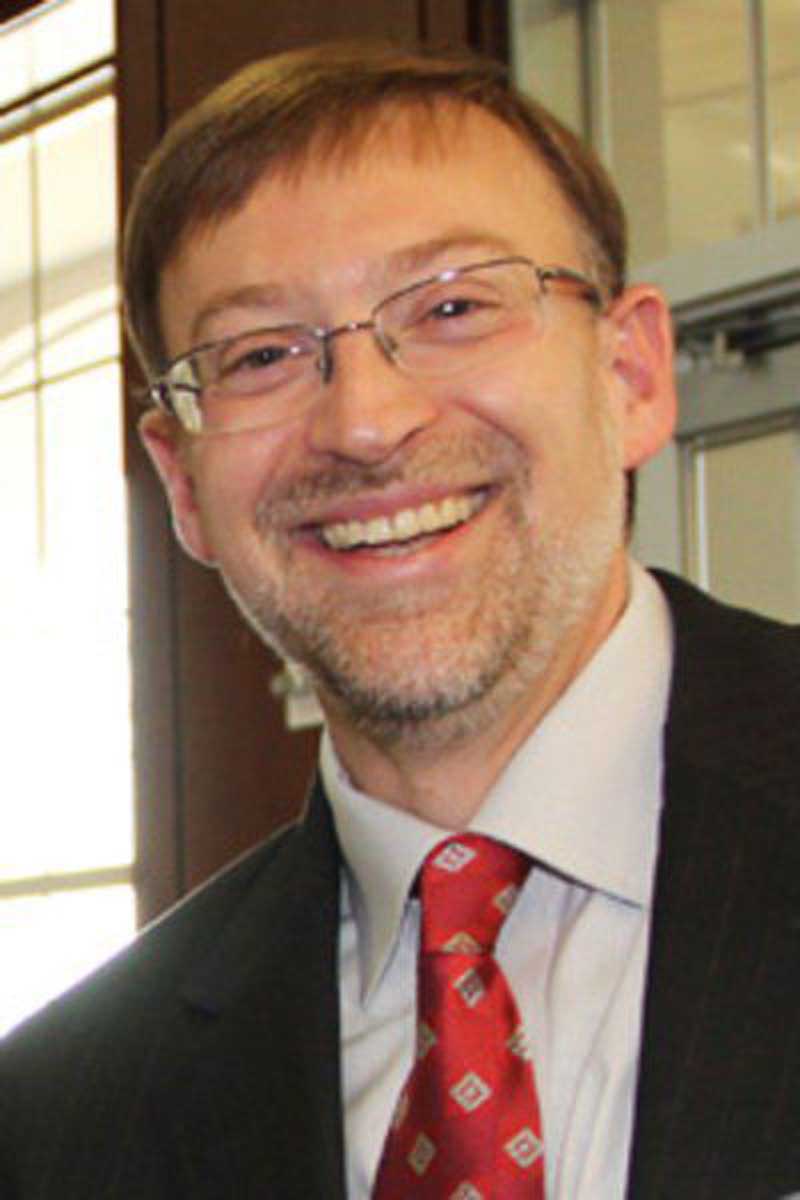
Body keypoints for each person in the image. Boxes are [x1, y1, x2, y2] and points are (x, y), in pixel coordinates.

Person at [1, 40, 798, 1200]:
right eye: (260, 355)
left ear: (628, 376)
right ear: (181, 484)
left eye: (453, 306)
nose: (365, 423)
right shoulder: (61, 1117)